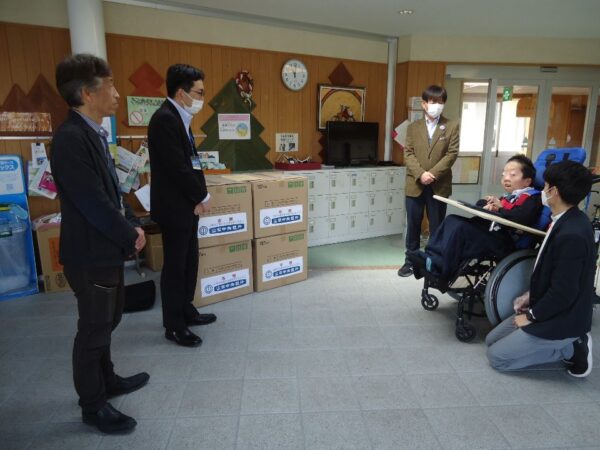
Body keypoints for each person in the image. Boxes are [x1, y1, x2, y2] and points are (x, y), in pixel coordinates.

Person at [52, 54, 149, 434]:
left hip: (106, 249)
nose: (117, 93)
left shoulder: (93, 132)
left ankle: (107, 379)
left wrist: (133, 224)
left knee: (110, 319)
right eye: (110, 86)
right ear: (86, 93)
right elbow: (92, 201)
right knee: (94, 329)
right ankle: (92, 405)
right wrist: (128, 234)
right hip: (90, 253)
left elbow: (113, 192)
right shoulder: (70, 139)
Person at [486, 160, 594, 377]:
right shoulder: (563, 220)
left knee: (497, 358)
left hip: (562, 317)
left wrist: (531, 316)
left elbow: (563, 293)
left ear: (554, 191)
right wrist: (529, 296)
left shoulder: (572, 234)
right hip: (547, 304)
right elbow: (553, 274)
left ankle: (571, 348)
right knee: (491, 340)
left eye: (545, 186)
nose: (542, 191)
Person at [148, 64, 215, 348]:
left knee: (189, 261)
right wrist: (201, 196)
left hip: (187, 205)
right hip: (174, 208)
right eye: (198, 93)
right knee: (175, 267)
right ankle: (174, 325)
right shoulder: (165, 119)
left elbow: (192, 163)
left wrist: (198, 197)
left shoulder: (180, 118)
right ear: (181, 92)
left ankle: (186, 309)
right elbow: (177, 168)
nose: (201, 98)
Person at [408, 154, 542, 280]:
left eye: (512, 175)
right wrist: (487, 203)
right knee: (451, 219)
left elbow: (523, 217)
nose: (506, 178)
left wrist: (500, 208)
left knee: (461, 228)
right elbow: (484, 206)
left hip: (505, 240)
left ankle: (439, 267)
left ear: (527, 181)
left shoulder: (533, 197)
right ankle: (429, 257)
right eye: (504, 174)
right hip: (493, 233)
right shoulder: (509, 196)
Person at [398, 85, 460, 277]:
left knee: (437, 226)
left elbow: (452, 154)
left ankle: (433, 261)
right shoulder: (413, 127)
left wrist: (431, 174)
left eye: (440, 102)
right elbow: (408, 154)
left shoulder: (452, 126)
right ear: (424, 104)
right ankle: (410, 261)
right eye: (433, 101)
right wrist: (421, 174)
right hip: (415, 184)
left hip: (439, 184)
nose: (437, 105)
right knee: (413, 225)